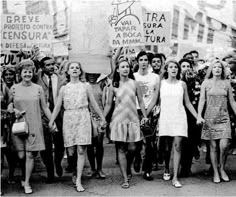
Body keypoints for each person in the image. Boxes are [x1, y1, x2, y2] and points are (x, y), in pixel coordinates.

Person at [49, 61, 106, 192]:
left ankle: (79, 179)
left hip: (83, 117)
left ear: (80, 71)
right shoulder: (64, 88)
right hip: (68, 119)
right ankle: (74, 170)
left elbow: (93, 104)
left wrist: (102, 118)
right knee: (71, 152)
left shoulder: (86, 86)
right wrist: (51, 121)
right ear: (68, 71)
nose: (74, 69)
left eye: (77, 68)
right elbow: (58, 106)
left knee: (81, 150)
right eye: (72, 68)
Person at [8, 59, 53, 194]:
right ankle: (24, 175)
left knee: (30, 155)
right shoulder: (14, 88)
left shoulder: (38, 89)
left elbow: (45, 107)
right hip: (19, 125)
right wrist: (13, 110)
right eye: (24, 72)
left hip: (34, 124)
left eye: (29, 71)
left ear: (33, 73)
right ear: (20, 73)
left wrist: (52, 121)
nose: (27, 74)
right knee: (21, 156)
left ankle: (27, 182)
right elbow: (9, 104)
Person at [103, 58, 148, 188]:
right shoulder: (114, 85)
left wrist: (144, 116)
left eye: (127, 66)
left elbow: (141, 101)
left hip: (133, 119)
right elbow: (108, 104)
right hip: (118, 120)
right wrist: (103, 118)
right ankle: (125, 178)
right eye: (122, 67)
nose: (125, 69)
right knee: (121, 148)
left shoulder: (135, 83)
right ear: (117, 69)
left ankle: (128, 165)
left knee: (133, 147)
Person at [158, 60, 204, 188]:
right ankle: (167, 168)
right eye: (171, 67)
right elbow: (155, 100)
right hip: (166, 118)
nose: (173, 69)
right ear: (166, 69)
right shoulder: (161, 83)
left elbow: (188, 103)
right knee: (167, 148)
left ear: (178, 70)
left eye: (175, 67)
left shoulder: (182, 84)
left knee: (177, 146)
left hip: (179, 117)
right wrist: (145, 115)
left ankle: (175, 177)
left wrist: (198, 116)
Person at [197, 60, 236, 183]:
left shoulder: (226, 83)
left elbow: (232, 101)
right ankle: (215, 172)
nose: (217, 69)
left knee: (224, 146)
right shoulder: (206, 83)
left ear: (222, 70)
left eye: (220, 67)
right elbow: (202, 100)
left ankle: (222, 168)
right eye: (215, 67)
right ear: (211, 70)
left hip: (224, 117)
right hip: (210, 118)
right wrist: (199, 116)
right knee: (213, 147)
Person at [36, 57, 66, 183]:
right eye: (48, 65)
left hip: (58, 115)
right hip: (42, 115)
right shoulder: (37, 78)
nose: (51, 66)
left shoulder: (61, 78)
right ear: (42, 67)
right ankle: (49, 171)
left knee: (60, 143)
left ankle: (57, 162)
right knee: (46, 145)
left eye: (53, 64)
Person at [133, 51, 160, 181]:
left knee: (150, 142)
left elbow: (155, 96)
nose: (143, 62)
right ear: (137, 61)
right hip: (136, 111)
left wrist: (147, 113)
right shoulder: (133, 76)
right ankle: (137, 157)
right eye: (141, 59)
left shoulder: (155, 77)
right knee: (137, 142)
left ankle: (147, 170)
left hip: (150, 112)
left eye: (145, 60)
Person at [179, 58, 201, 177]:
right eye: (183, 66)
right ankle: (182, 166)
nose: (186, 68)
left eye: (188, 66)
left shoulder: (196, 82)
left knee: (191, 143)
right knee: (181, 143)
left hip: (192, 116)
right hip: (180, 115)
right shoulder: (177, 82)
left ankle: (187, 167)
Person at [86, 73, 108, 179]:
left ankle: (99, 168)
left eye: (94, 74)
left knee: (99, 143)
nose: (92, 76)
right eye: (89, 74)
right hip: (87, 117)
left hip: (100, 117)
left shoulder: (102, 84)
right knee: (90, 144)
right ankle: (92, 168)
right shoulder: (84, 85)